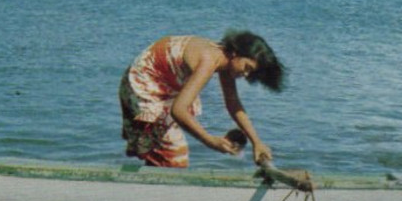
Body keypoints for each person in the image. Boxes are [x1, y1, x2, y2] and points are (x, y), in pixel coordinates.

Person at [119, 30, 285, 168]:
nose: (246, 74)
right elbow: (178, 110)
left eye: (251, 72)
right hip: (143, 85)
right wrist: (210, 141)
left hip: (165, 84)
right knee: (175, 154)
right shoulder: (209, 59)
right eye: (247, 67)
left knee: (165, 149)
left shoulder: (226, 61)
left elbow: (233, 104)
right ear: (236, 53)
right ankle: (160, 198)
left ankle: (152, 187)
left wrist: (257, 142)